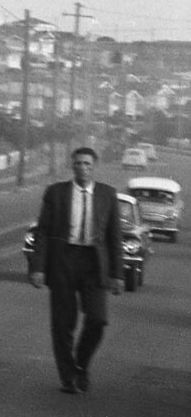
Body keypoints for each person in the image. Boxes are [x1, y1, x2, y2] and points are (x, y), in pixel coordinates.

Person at [28, 145, 121, 394]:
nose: (83, 168)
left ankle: (81, 363)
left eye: (87, 164)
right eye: (78, 163)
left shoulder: (107, 195)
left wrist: (117, 274)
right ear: (72, 165)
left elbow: (115, 237)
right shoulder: (56, 193)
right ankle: (68, 376)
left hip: (94, 263)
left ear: (94, 167)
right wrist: (38, 268)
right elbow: (43, 232)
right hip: (64, 261)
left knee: (98, 320)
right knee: (63, 323)